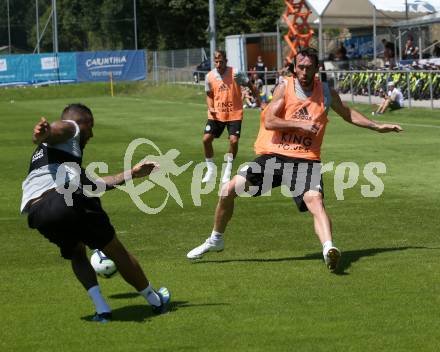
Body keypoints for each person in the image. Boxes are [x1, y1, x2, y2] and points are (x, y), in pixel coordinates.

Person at [187, 48, 402, 271]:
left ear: (317, 68)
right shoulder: (285, 88)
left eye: (309, 67)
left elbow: (347, 112)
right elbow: (270, 120)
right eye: (300, 67)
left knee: (315, 201)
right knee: (227, 190)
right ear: (295, 68)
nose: (304, 71)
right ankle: (215, 239)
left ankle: (329, 248)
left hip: (305, 160)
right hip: (275, 155)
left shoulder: (325, 92)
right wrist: (301, 124)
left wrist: (377, 126)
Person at [20, 103, 171, 322]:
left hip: (38, 213)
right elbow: (57, 129)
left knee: (76, 252)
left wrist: (133, 173)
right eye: (91, 127)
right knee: (115, 250)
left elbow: (98, 183)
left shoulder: (60, 159)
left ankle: (102, 310)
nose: (92, 134)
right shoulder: (72, 127)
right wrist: (45, 133)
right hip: (66, 199)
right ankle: (156, 301)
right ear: (82, 124)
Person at [202, 50, 260, 184]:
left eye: (220, 61)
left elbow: (249, 85)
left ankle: (227, 169)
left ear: (226, 61)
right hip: (216, 114)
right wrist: (211, 107)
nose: (218, 64)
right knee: (206, 139)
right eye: (216, 61)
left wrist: (258, 99)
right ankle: (210, 169)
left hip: (234, 113)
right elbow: (209, 95)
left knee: (233, 141)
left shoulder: (236, 73)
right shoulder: (210, 76)